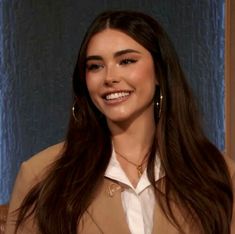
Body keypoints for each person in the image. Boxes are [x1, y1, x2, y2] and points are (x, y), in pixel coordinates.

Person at [5, 10, 235, 234]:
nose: (110, 78)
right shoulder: (41, 175)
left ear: (159, 73)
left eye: (126, 61)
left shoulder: (216, 172)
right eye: (95, 66)